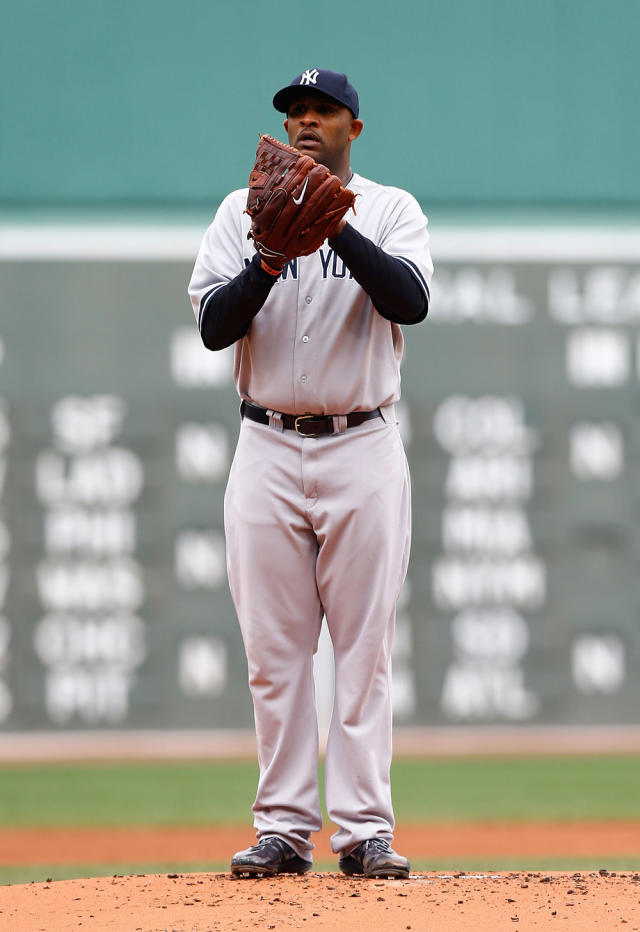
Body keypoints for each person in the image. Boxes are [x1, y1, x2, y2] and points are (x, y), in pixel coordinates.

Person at [188, 68, 433, 880]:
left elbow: (410, 302)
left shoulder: (392, 209)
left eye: (322, 110)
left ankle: (364, 831)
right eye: (294, 111)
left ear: (353, 127)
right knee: (275, 650)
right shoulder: (240, 213)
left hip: (362, 443)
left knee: (362, 650)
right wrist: (269, 253)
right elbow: (215, 330)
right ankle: (284, 828)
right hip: (265, 445)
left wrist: (334, 227)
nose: (305, 121)